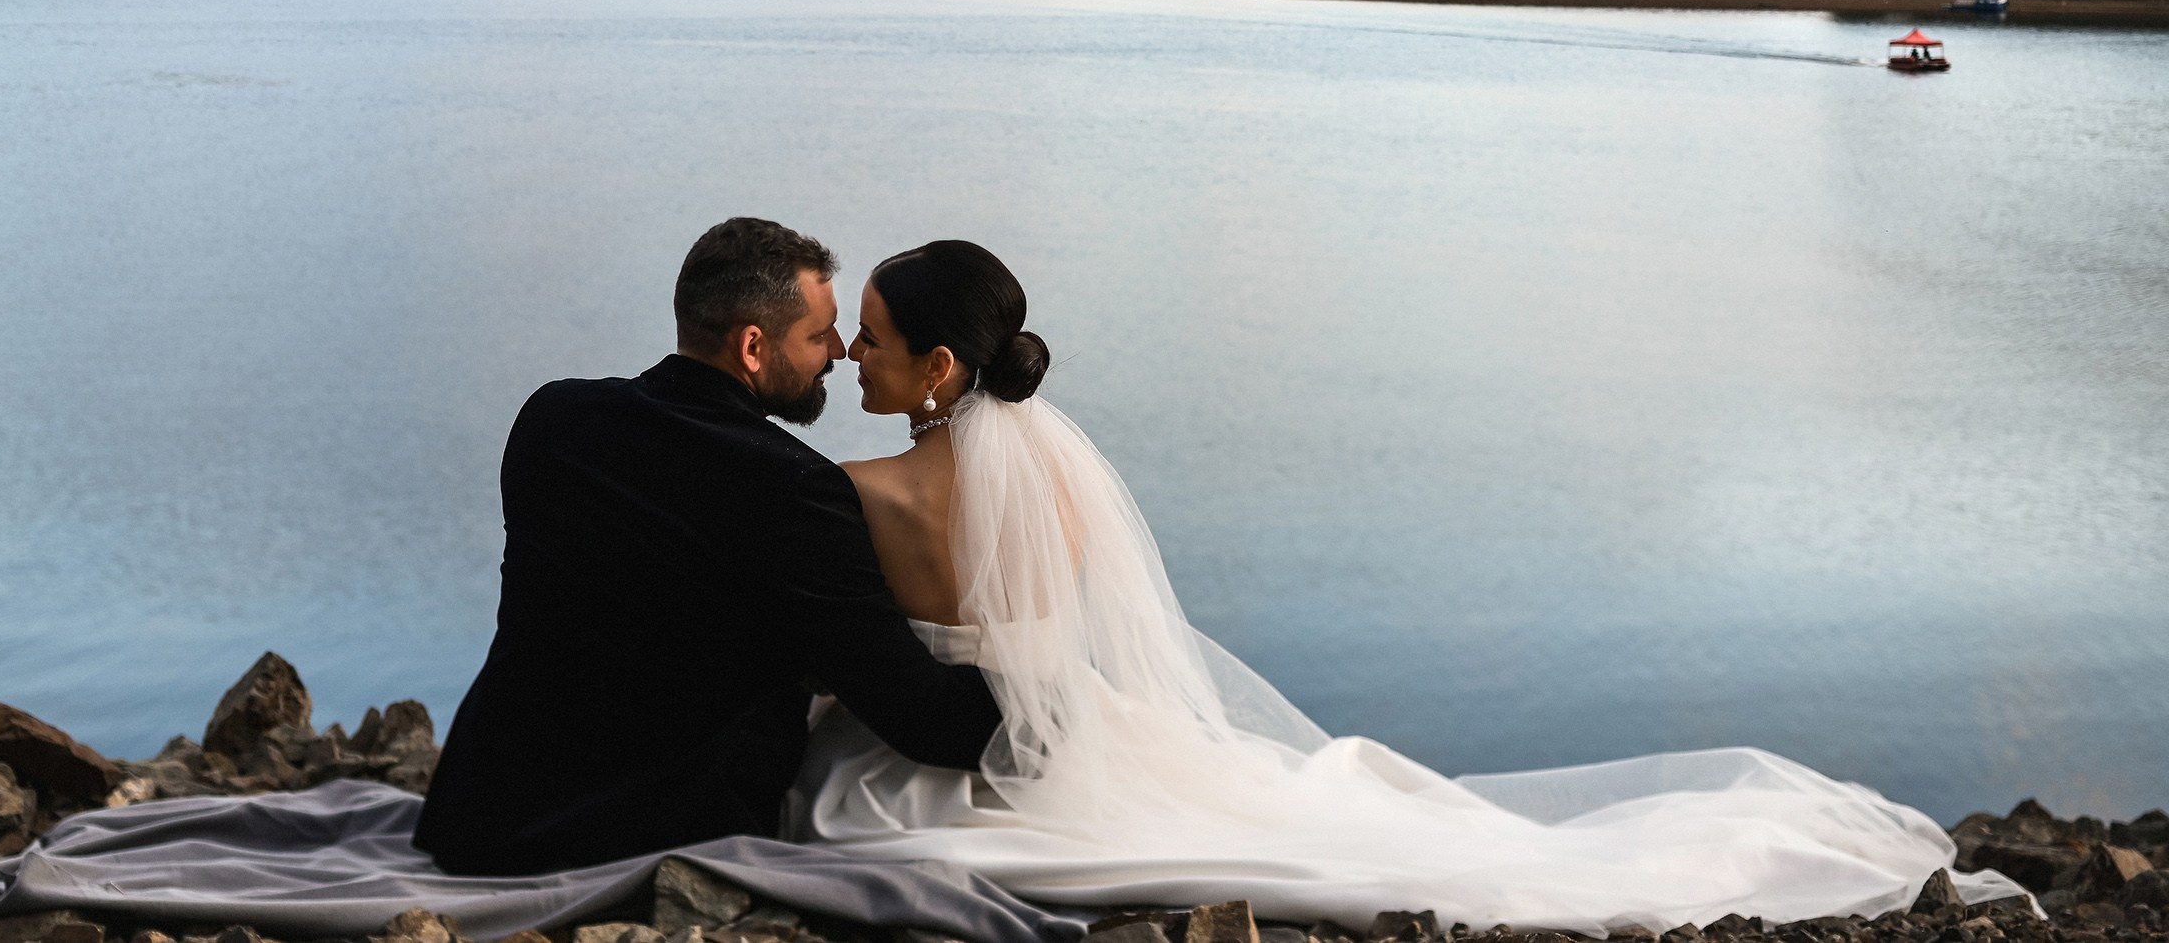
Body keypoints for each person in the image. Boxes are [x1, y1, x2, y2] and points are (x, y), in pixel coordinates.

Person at [792, 240, 2025, 935]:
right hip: (1076, 735)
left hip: (941, 761)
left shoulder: (861, 491)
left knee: (822, 806)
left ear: (939, 366)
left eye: (874, 339)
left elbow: (862, 649)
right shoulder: (1060, 477)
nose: (852, 354)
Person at [412, 217, 1003, 875]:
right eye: (818, 334)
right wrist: (1059, 711)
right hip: (645, 831)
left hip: (482, 815)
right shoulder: (797, 489)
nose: (839, 350)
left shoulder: (553, 418)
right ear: (753, 345)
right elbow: (921, 716)